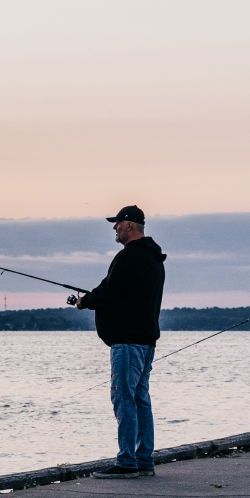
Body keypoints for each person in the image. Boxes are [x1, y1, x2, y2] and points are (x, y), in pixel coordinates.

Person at [76, 205, 167, 478]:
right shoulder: (153, 259)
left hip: (127, 342)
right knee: (140, 399)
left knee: (124, 398)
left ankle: (127, 462)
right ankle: (144, 460)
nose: (115, 228)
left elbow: (108, 291)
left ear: (129, 225)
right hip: (145, 340)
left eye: (117, 224)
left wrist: (85, 301)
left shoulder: (129, 256)